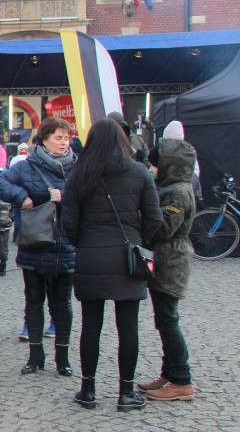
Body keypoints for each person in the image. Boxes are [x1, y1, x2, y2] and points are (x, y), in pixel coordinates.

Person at [62, 118, 162, 412]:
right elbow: (155, 218)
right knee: (128, 327)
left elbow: (68, 221)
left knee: (91, 325)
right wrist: (138, 240)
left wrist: (84, 242)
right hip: (127, 257)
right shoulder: (139, 172)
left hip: (91, 255)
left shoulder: (79, 173)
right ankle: (126, 392)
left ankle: (88, 389)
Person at [0, 117, 78, 375]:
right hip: (35, 243)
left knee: (62, 304)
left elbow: (89, 194)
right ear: (44, 139)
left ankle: (62, 358)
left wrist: (67, 198)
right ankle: (35, 355)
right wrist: (25, 198)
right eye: (58, 138)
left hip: (66, 244)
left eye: (66, 138)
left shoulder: (77, 166)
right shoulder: (27, 166)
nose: (63, 143)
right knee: (34, 301)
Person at [138, 138, 197, 401]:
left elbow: (164, 227)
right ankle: (169, 373)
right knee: (164, 321)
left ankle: (181, 380)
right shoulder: (173, 188)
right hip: (166, 260)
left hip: (170, 262)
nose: (151, 169)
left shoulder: (177, 192)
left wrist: (141, 217)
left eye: (154, 165)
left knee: (168, 321)